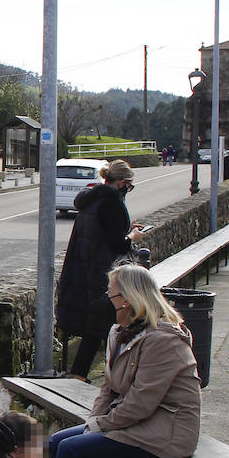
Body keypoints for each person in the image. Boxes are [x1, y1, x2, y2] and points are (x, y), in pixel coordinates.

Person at [48, 264, 201, 458]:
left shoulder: (163, 341)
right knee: (55, 442)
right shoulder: (120, 333)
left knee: (69, 450)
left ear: (127, 299)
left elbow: (141, 403)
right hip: (136, 424)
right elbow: (108, 387)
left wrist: (102, 424)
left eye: (110, 291)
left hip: (164, 433)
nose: (107, 297)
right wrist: (95, 421)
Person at [55, 159, 143, 380]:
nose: (129, 190)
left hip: (84, 271)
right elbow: (118, 244)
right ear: (122, 183)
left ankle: (80, 376)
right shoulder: (112, 203)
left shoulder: (91, 199)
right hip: (103, 274)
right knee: (108, 327)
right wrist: (133, 237)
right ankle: (110, 378)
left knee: (94, 329)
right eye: (129, 186)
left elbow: (101, 232)